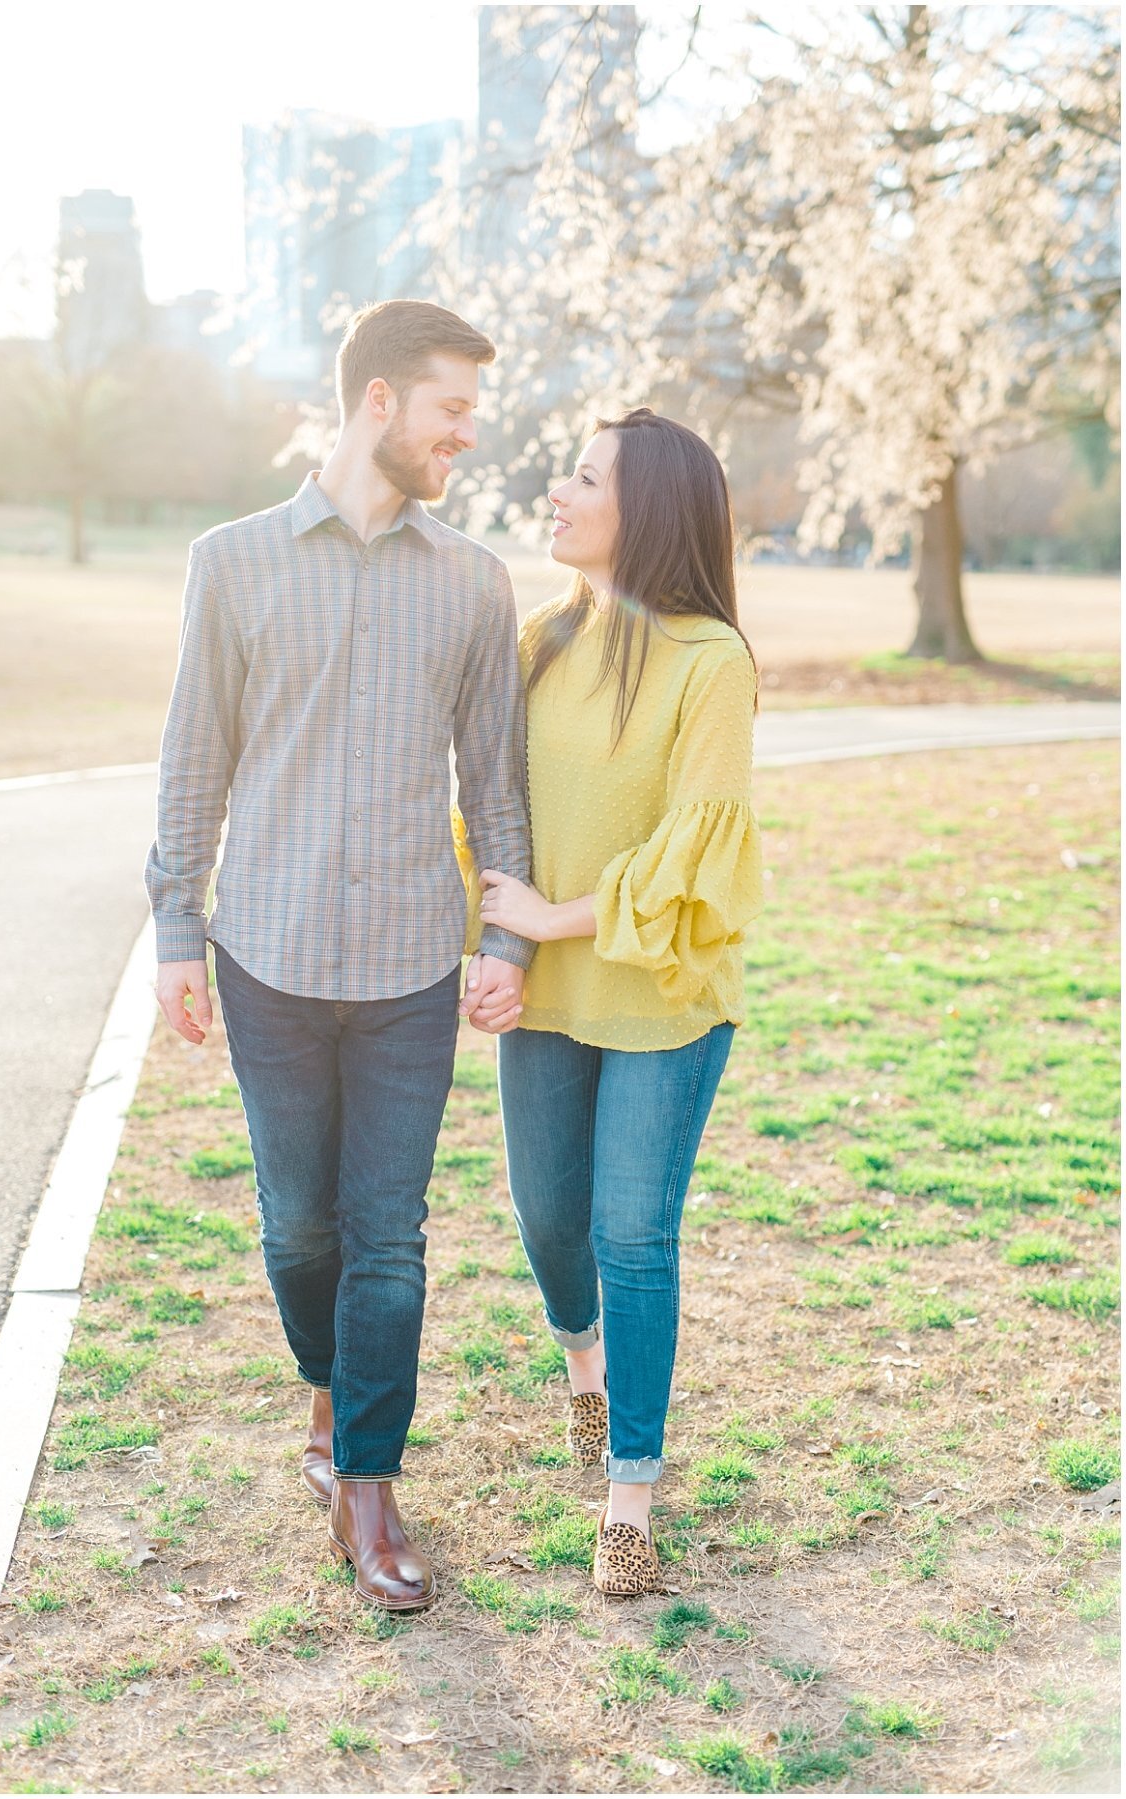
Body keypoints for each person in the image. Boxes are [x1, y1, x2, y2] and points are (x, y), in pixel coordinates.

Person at [145, 299, 533, 1612]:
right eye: (452, 411)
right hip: (265, 949)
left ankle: (368, 1481)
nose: (466, 438)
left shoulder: (477, 580)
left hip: (413, 964)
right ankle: (325, 1397)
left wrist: (499, 929)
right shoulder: (234, 562)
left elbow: (498, 779)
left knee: (389, 1233)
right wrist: (173, 935)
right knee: (299, 1222)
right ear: (379, 402)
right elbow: (195, 755)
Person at [469, 408, 763, 1596]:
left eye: (583, 477)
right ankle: (583, 1369)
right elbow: (501, 820)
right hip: (545, 992)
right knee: (549, 1222)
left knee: (631, 1234)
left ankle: (629, 1491)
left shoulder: (712, 662)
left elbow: (699, 854)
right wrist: (504, 942)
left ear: (642, 510)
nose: (557, 491)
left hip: (664, 995)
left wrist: (554, 918)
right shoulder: (538, 639)